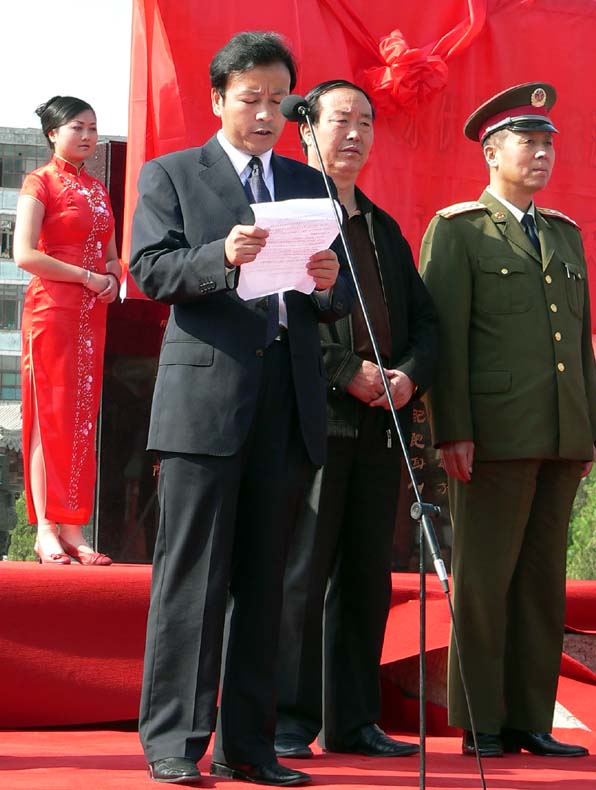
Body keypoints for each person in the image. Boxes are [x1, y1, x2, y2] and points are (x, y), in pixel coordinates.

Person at [129, 33, 355, 787]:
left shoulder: (306, 181)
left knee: (265, 583)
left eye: (277, 101)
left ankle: (249, 746)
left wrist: (327, 280)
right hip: (206, 402)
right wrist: (220, 256)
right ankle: (174, 740)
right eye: (250, 98)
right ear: (218, 99)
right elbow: (149, 269)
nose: (264, 114)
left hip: (287, 401)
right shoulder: (172, 174)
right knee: (192, 576)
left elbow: (334, 300)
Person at [419, 82, 595, 758]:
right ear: (492, 152)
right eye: (528, 142)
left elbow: (578, 343)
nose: (542, 153)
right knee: (485, 580)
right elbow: (446, 337)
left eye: (549, 143)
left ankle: (529, 718)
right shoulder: (459, 229)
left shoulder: (563, 234)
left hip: (560, 433)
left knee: (542, 583)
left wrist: (587, 429)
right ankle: (482, 721)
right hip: (491, 435)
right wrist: (451, 428)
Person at [275, 80, 437, 760]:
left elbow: (426, 323)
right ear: (307, 128)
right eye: (341, 119)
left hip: (381, 424)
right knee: (302, 571)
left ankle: (353, 719)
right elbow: (278, 314)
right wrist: (346, 370)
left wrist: (407, 376)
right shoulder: (291, 214)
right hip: (315, 419)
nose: (355, 133)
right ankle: (287, 718)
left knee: (367, 573)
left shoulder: (382, 226)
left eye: (366, 122)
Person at [14, 96, 120, 566]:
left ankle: (74, 528)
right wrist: (86, 277)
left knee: (81, 419)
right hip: (51, 310)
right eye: (77, 127)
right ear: (53, 133)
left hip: (90, 314)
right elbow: (24, 254)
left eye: (93, 128)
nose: (88, 136)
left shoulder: (98, 190)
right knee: (49, 416)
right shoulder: (39, 182)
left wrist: (112, 278)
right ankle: (46, 530)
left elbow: (112, 255)